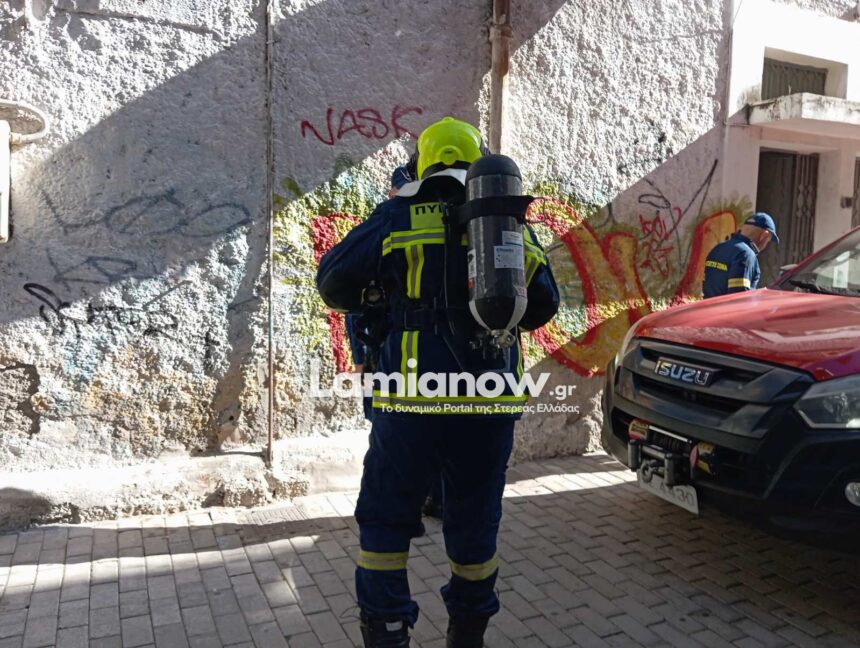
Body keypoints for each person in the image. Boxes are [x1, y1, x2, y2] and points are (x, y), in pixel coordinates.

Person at [316, 116, 559, 648]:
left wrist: (383, 297)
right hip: (489, 402)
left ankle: (387, 634)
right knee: (475, 524)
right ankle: (467, 636)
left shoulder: (396, 215)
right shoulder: (505, 222)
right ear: (477, 162)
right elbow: (544, 305)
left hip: (410, 401)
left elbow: (332, 283)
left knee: (386, 521)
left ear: (421, 164)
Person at [703, 212, 779, 298]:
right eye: (768, 241)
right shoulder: (746, 255)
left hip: (708, 306)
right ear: (764, 235)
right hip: (728, 307)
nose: (765, 246)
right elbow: (739, 296)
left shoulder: (718, 248)